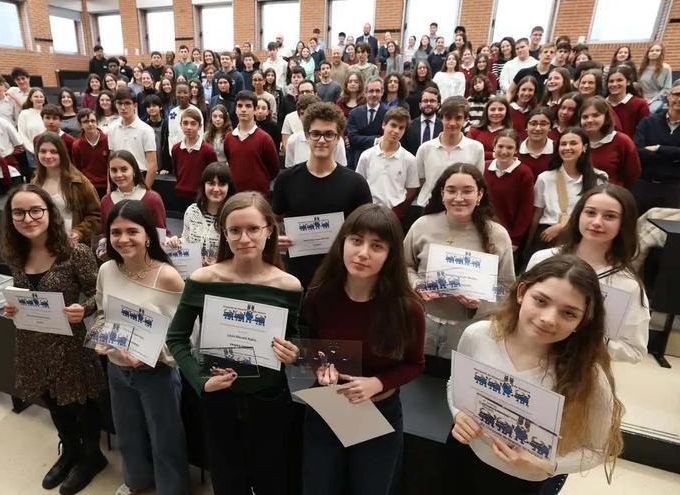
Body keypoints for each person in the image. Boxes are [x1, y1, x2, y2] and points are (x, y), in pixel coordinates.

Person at [446, 255, 623, 493]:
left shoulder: (588, 376)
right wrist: (458, 414)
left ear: (582, 321)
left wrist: (549, 465)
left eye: (569, 313)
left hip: (523, 483)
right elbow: (455, 384)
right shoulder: (478, 336)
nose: (548, 319)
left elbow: (599, 449)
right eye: (541, 300)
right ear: (521, 292)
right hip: (463, 456)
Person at [165, 191, 303, 495]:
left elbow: (294, 336)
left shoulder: (288, 286)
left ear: (269, 230)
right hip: (220, 400)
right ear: (224, 234)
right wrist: (200, 381)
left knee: (273, 479)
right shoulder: (203, 279)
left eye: (253, 229)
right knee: (228, 481)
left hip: (269, 399)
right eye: (235, 230)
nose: (244, 238)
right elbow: (176, 339)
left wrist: (293, 351)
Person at [301, 203, 426, 495]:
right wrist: (319, 367)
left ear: (390, 255)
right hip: (327, 407)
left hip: (379, 411)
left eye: (377, 246)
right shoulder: (320, 295)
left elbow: (415, 364)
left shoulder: (408, 308)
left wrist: (377, 383)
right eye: (356, 241)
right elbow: (309, 343)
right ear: (342, 242)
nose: (363, 253)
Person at [0, 184, 107, 495]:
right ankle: (70, 450)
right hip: (32, 344)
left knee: (81, 403)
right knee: (52, 401)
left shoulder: (76, 252)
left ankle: (92, 456)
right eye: (18, 212)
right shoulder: (16, 252)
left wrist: (83, 308)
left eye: (36, 210)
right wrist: (13, 306)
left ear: (49, 212)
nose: (28, 218)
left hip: (69, 345)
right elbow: (23, 291)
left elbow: (100, 294)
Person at [89, 200, 189, 495]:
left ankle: (172, 489)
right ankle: (137, 482)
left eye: (132, 231)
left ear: (149, 235)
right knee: (128, 433)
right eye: (115, 232)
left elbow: (184, 335)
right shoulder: (107, 269)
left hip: (157, 373)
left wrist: (155, 357)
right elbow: (102, 313)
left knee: (165, 438)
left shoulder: (167, 277)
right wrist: (101, 336)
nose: (123, 239)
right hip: (117, 369)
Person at [527, 185, 650, 363]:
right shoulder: (543, 259)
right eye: (590, 212)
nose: (597, 222)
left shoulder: (627, 285)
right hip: (529, 357)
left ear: (624, 223)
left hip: (578, 371)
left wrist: (581, 338)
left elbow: (634, 350)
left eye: (610, 216)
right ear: (578, 215)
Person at [405, 163, 516, 357]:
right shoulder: (422, 225)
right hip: (422, 322)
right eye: (451, 190)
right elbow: (403, 266)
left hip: (469, 330)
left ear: (479, 194)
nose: (458, 198)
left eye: (467, 191)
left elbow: (506, 287)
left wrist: (480, 302)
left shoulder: (497, 235)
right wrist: (416, 285)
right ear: (442, 193)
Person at [274, 102, 372, 288]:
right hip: (296, 276)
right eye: (315, 134)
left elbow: (366, 232)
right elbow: (274, 220)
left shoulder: (356, 184)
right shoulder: (285, 179)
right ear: (306, 136)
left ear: (338, 139)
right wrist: (275, 240)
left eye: (329, 134)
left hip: (339, 277)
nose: (321, 140)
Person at [632, 76, 680, 214]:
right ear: (669, 96)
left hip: (673, 188)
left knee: (663, 231)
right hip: (642, 185)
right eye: (676, 94)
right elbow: (638, 152)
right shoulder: (649, 122)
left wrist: (657, 148)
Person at [526, 127, 607, 256]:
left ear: (584, 147)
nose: (567, 148)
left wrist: (562, 226)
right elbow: (537, 213)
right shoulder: (545, 178)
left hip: (581, 236)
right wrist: (528, 245)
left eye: (573, 143)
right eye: (563, 144)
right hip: (548, 237)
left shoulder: (599, 179)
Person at [31, 132, 102, 244]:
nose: (48, 156)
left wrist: (79, 232)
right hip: (45, 243)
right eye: (43, 151)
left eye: (53, 152)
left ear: (62, 153)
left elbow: (96, 215)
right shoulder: (35, 183)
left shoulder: (79, 181)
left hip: (72, 245)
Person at [415, 97, 485, 206]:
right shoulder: (425, 148)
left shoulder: (476, 148)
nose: (452, 123)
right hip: (428, 206)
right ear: (441, 118)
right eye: (448, 117)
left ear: (465, 119)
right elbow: (420, 180)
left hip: (460, 206)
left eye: (458, 118)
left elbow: (477, 182)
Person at [356, 107, 420, 221]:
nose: (396, 131)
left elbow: (411, 189)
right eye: (393, 125)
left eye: (401, 128)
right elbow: (359, 184)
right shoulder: (367, 156)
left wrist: (399, 207)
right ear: (384, 125)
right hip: (369, 212)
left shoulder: (410, 159)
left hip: (395, 214)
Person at [165, 163, 235, 266]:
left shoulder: (233, 216)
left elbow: (238, 253)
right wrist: (176, 242)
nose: (216, 189)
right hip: (193, 273)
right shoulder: (192, 211)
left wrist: (218, 264)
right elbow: (186, 239)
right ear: (204, 185)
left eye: (221, 184)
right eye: (211, 183)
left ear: (229, 187)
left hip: (220, 275)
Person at [484, 129, 534, 252]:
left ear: (516, 150)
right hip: (482, 230)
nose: (504, 151)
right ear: (494, 146)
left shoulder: (524, 173)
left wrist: (515, 239)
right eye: (500, 146)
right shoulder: (483, 167)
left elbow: (525, 209)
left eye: (510, 147)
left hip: (508, 236)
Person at [223, 91, 280, 197]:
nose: (243, 109)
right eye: (240, 106)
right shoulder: (229, 138)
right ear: (235, 109)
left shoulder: (265, 138)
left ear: (254, 110)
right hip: (235, 195)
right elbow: (231, 162)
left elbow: (274, 169)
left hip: (259, 196)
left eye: (248, 106)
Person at [100, 150, 168, 237]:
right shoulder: (106, 201)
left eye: (124, 169)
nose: (119, 175)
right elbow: (106, 234)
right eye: (114, 170)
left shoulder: (152, 199)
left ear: (134, 170)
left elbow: (161, 234)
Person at [580, 96, 641, 187]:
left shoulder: (622, 141)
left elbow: (632, 175)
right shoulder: (576, 141)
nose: (589, 120)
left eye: (595, 115)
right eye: (585, 117)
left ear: (606, 117)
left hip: (611, 196)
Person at [107, 88, 158, 188]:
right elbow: (111, 160)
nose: (123, 107)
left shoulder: (146, 130)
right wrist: (109, 186)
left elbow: (152, 164)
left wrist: (145, 190)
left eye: (127, 103)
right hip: (118, 178)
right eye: (119, 103)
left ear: (135, 105)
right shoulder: (112, 128)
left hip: (139, 178)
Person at [285, 95, 347, 168]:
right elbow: (290, 167)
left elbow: (341, 166)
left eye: (329, 135)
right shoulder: (293, 140)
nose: (305, 117)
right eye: (302, 113)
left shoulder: (337, 141)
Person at [171, 107, 218, 203]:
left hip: (201, 197)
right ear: (180, 125)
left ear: (200, 126)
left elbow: (213, 175)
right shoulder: (176, 149)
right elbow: (177, 172)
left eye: (193, 124)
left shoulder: (208, 150)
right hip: (180, 195)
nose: (189, 127)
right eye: (185, 123)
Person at [346, 76, 388, 167]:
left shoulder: (388, 114)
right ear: (365, 93)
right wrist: (376, 139)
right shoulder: (354, 113)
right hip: (357, 159)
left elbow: (387, 139)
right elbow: (352, 138)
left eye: (377, 91)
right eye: (371, 91)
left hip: (381, 160)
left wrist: (361, 139)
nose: (374, 94)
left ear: (382, 92)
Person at [71, 108, 110, 198]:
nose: (90, 124)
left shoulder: (108, 140)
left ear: (97, 122)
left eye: (93, 121)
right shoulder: (77, 145)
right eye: (85, 122)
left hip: (107, 186)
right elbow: (77, 169)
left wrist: (110, 186)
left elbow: (111, 165)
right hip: (88, 187)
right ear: (80, 125)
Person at [606, 66, 650, 139]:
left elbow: (645, 131)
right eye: (611, 81)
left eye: (619, 80)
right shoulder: (601, 104)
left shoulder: (640, 105)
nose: (614, 84)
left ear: (628, 82)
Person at [467, 96, 512, 161]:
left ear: (506, 111)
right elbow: (469, 152)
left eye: (501, 109)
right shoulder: (474, 131)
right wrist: (493, 155)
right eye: (492, 109)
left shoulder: (510, 134)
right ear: (486, 111)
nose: (496, 113)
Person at [402, 87, 442, 156]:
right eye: (425, 101)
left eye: (432, 101)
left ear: (438, 105)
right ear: (420, 105)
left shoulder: (443, 126)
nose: (428, 104)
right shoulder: (409, 126)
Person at [517, 107, 555, 178]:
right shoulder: (515, 149)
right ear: (526, 127)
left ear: (550, 128)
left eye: (543, 124)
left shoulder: (557, 149)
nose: (537, 128)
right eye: (533, 124)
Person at [17, 88, 47, 176]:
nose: (39, 99)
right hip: (32, 152)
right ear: (30, 98)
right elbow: (21, 133)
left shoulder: (48, 112)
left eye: (41, 96)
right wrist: (32, 150)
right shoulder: (24, 113)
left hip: (48, 151)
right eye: (36, 96)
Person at [638, 44, 672, 114]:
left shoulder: (666, 68)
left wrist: (652, 99)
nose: (654, 52)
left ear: (661, 53)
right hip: (641, 97)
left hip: (656, 98)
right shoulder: (641, 68)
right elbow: (637, 85)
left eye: (657, 50)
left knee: (649, 111)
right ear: (648, 53)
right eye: (651, 51)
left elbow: (667, 88)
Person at [142, 94, 172, 175]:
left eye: (154, 106)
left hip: (164, 169)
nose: (151, 108)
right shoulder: (143, 126)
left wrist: (166, 167)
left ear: (160, 107)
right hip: (147, 168)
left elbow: (168, 147)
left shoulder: (167, 125)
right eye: (148, 106)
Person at [508, 76, 539, 141]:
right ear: (517, 92)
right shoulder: (507, 110)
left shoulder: (536, 112)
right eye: (523, 89)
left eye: (530, 90)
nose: (526, 93)